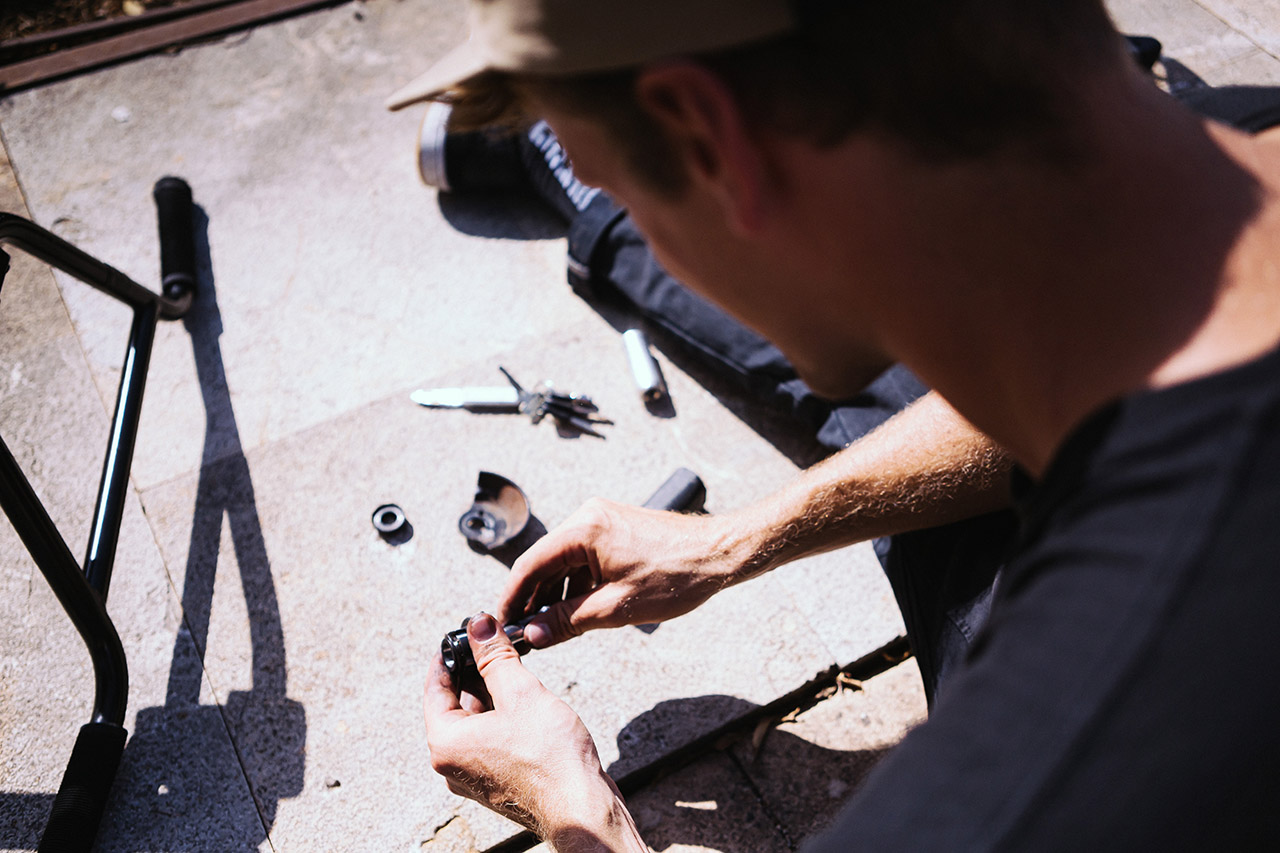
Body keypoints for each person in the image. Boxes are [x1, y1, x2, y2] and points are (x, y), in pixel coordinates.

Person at [386, 0, 1280, 849]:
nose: (664, 245)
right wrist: (730, 542)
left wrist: (577, 813)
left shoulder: (1037, 783)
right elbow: (1081, 371)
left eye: (619, 183)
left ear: (708, 139)